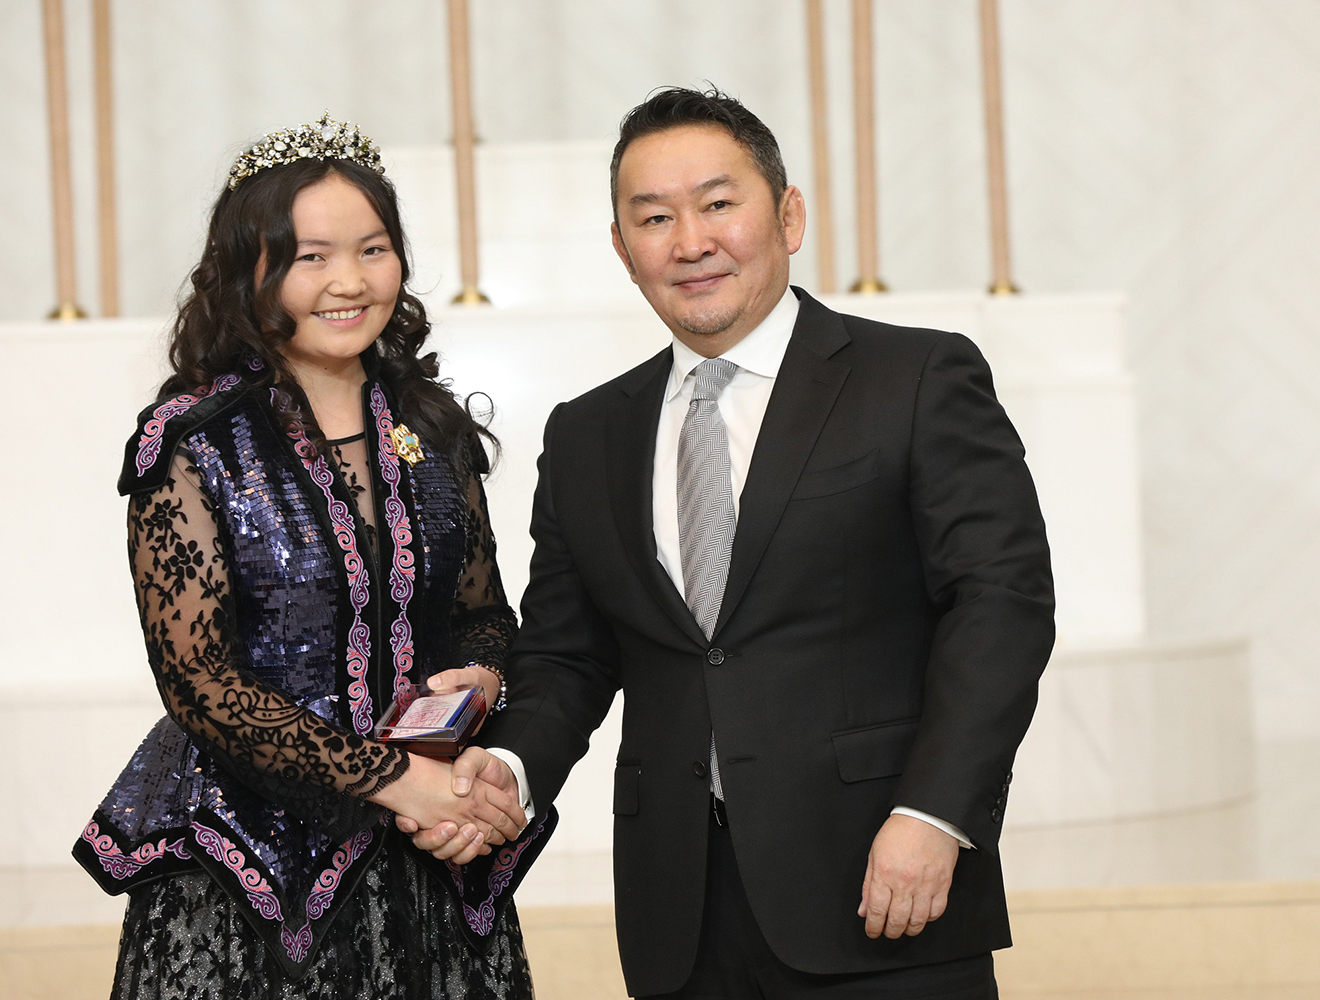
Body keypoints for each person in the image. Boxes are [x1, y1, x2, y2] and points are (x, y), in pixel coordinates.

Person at [410, 89, 1056, 998]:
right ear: (622, 248)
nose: (690, 241)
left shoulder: (915, 378)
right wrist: (507, 772)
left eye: (718, 204)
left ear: (788, 215)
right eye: (654, 218)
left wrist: (936, 814)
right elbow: (567, 653)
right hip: (682, 914)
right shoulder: (588, 432)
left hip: (886, 880)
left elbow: (999, 606)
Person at [73, 114, 547, 1000]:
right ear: (248, 272)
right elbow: (199, 682)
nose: (349, 281)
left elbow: (484, 616)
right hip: (250, 859)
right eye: (310, 257)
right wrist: (393, 780)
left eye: (373, 250)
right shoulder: (197, 443)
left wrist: (481, 682)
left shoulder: (431, 427)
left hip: (428, 852)